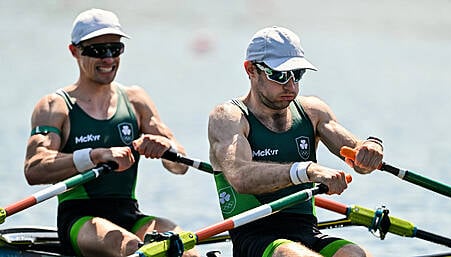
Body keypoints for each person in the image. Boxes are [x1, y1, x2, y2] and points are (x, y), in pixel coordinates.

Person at [24, 8, 199, 257]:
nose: (108, 58)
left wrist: (165, 149)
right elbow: (34, 167)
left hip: (130, 214)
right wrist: (95, 156)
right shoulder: (55, 106)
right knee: (128, 246)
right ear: (74, 51)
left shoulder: (136, 100)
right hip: (79, 218)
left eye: (115, 49)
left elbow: (180, 166)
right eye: (97, 51)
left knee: (184, 248)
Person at [207, 26, 384, 257]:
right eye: (279, 75)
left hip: (308, 232)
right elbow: (240, 177)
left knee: (358, 254)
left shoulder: (313, 111)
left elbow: (357, 155)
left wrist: (371, 148)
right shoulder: (228, 117)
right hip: (256, 239)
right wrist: (306, 171)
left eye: (297, 74)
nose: (291, 86)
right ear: (251, 70)